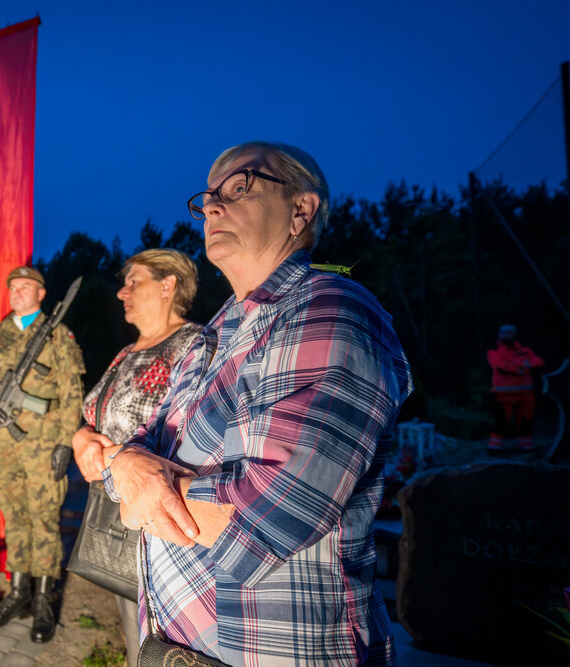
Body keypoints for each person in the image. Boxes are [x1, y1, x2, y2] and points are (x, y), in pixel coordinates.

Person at [104, 142, 413, 666]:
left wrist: (136, 481)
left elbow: (268, 517)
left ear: (301, 210)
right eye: (207, 200)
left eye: (240, 187)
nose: (213, 208)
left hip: (272, 650)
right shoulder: (215, 333)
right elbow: (138, 447)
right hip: (176, 646)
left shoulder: (329, 308)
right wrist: (127, 465)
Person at [71, 248, 202, 663]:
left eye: (134, 281)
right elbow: (91, 416)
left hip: (163, 524)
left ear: (168, 285)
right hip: (114, 511)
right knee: (132, 622)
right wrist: (80, 438)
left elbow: (194, 436)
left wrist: (108, 452)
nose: (121, 292)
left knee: (167, 637)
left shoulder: (194, 344)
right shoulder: (126, 353)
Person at [0, 266, 85, 644]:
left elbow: (71, 394)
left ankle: (43, 599)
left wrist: (65, 442)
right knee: (14, 519)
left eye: (25, 286)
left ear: (41, 293)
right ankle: (18, 593)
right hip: (3, 448)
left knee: (44, 521)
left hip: (43, 446)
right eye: (12, 286)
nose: (16, 292)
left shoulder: (59, 335)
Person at [487, 324, 543, 452]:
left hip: (526, 394)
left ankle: (525, 447)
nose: (507, 336)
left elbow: (538, 362)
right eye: (504, 333)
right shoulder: (494, 352)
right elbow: (502, 367)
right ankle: (494, 448)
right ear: (499, 335)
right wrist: (523, 366)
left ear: (516, 334)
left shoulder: (525, 350)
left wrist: (518, 366)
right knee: (501, 422)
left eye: (510, 333)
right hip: (504, 395)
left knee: (526, 421)